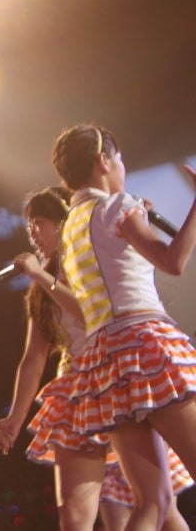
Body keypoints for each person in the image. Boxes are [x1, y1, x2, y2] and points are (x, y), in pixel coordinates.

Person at [0, 187, 192, 531]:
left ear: (64, 222)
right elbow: (33, 357)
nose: (33, 233)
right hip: (79, 394)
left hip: (121, 377)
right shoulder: (41, 288)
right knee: (76, 514)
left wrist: (40, 275)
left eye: (39, 222)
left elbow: (93, 315)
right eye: (29, 226)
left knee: (158, 506)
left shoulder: (93, 263)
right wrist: (14, 420)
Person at [50, 123, 196, 530]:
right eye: (119, 158)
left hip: (104, 364)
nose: (122, 166)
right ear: (104, 161)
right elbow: (173, 262)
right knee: (157, 500)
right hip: (145, 345)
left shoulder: (70, 226)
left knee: (152, 501)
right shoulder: (117, 206)